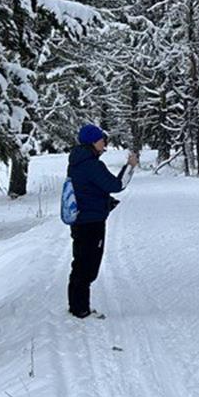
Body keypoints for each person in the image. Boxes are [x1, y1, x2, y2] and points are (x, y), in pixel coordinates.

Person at [67, 123, 137, 319]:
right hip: (91, 222)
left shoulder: (77, 161)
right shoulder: (91, 164)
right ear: (92, 141)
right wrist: (130, 166)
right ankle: (80, 310)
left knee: (81, 262)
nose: (104, 144)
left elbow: (92, 189)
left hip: (81, 220)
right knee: (87, 266)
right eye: (101, 140)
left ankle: (77, 306)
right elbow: (116, 185)